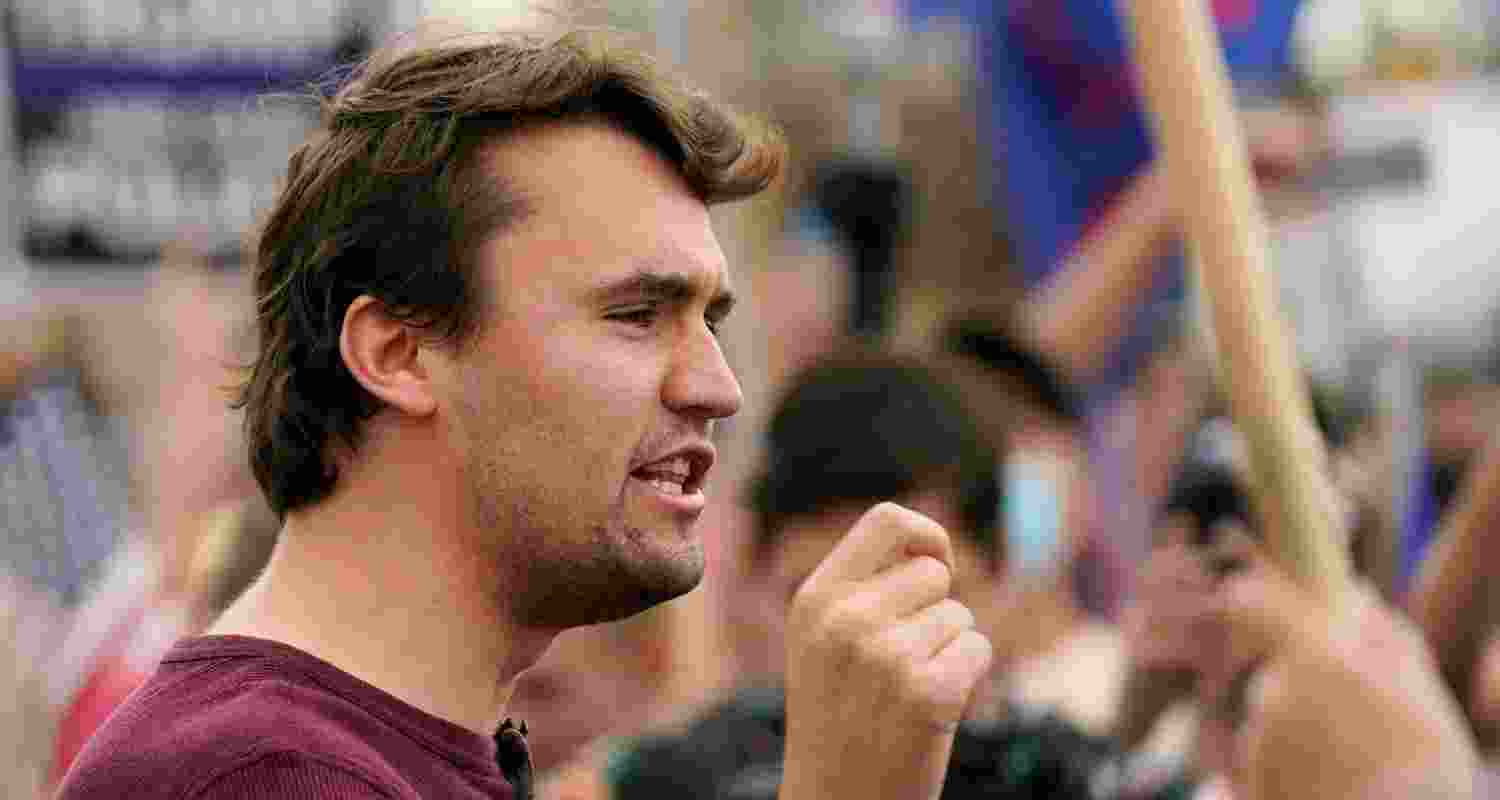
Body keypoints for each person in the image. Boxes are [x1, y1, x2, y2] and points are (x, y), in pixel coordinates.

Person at [55, 26, 996, 800]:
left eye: (707, 320)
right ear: (398, 353)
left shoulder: (399, 750)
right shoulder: (262, 777)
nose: (718, 387)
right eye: (637, 315)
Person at [610, 349, 1196, 800]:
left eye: (913, 596)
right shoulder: (678, 776)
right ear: (763, 580)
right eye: (828, 602)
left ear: (997, 575)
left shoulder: (1082, 781)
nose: (875, 646)